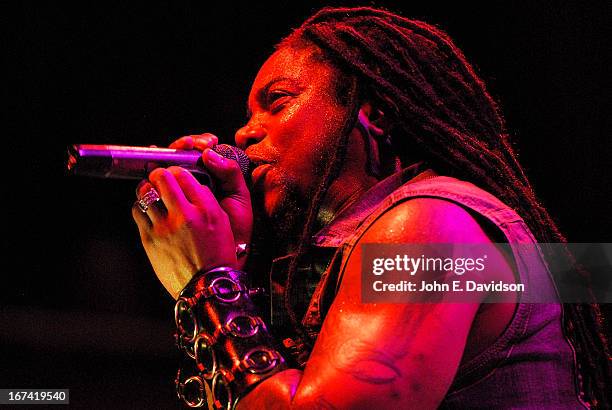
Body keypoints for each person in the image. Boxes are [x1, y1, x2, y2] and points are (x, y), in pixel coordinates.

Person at [131, 7, 610, 409]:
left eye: (277, 102)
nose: (244, 133)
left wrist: (208, 284)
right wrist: (238, 264)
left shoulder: (431, 223)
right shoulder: (372, 247)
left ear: (373, 115)